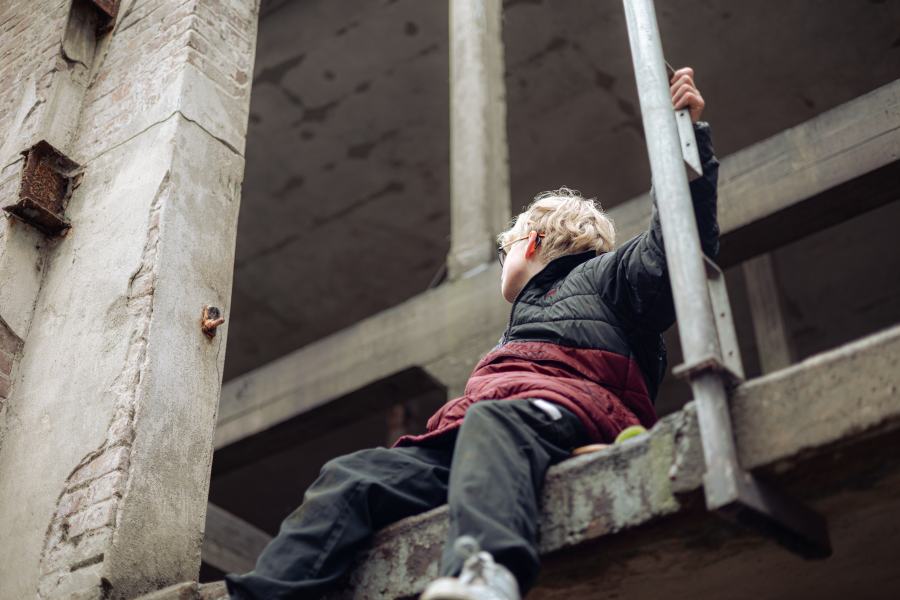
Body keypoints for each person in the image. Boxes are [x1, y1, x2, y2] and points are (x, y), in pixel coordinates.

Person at [225, 66, 717, 600]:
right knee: (352, 476)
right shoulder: (516, 334)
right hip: (482, 446)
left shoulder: (603, 278)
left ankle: (485, 574)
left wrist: (683, 139)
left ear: (529, 245)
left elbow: (673, 251)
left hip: (565, 422)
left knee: (493, 419)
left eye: (506, 249)